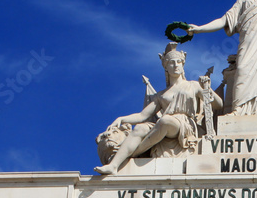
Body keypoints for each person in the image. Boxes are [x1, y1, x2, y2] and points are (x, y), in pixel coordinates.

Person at [95, 43, 221, 175]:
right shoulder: (161, 95)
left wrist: (207, 90)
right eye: (172, 63)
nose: (176, 65)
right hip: (165, 125)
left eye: (179, 62)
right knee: (140, 128)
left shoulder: (194, 85)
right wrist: (121, 119)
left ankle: (134, 153)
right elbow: (142, 116)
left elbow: (219, 104)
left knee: (165, 120)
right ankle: (114, 165)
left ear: (183, 64)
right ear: (166, 67)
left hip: (184, 125)